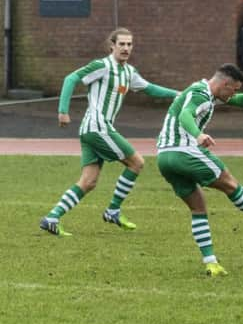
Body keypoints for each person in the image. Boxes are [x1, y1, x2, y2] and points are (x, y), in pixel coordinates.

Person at [156, 63, 243, 277]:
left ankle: (211, 263)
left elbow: (241, 100)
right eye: (234, 89)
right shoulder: (200, 94)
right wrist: (198, 134)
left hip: (164, 158)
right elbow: (186, 115)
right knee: (228, 181)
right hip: (184, 151)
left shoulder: (205, 92)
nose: (234, 93)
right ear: (224, 84)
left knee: (198, 207)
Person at [39, 27, 179, 236]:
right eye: (121, 44)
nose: (125, 48)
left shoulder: (129, 72)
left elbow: (150, 88)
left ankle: (52, 218)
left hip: (93, 130)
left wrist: (178, 94)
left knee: (88, 182)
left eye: (129, 44)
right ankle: (113, 210)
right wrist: (62, 111)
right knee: (137, 162)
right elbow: (70, 79)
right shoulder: (102, 66)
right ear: (112, 45)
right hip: (97, 127)